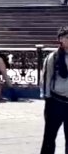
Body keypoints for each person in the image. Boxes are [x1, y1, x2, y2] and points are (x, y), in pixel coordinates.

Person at [40, 26, 68, 154]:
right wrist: (47, 98)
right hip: (56, 101)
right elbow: (46, 78)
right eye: (67, 37)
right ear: (60, 39)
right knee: (49, 137)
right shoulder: (53, 57)